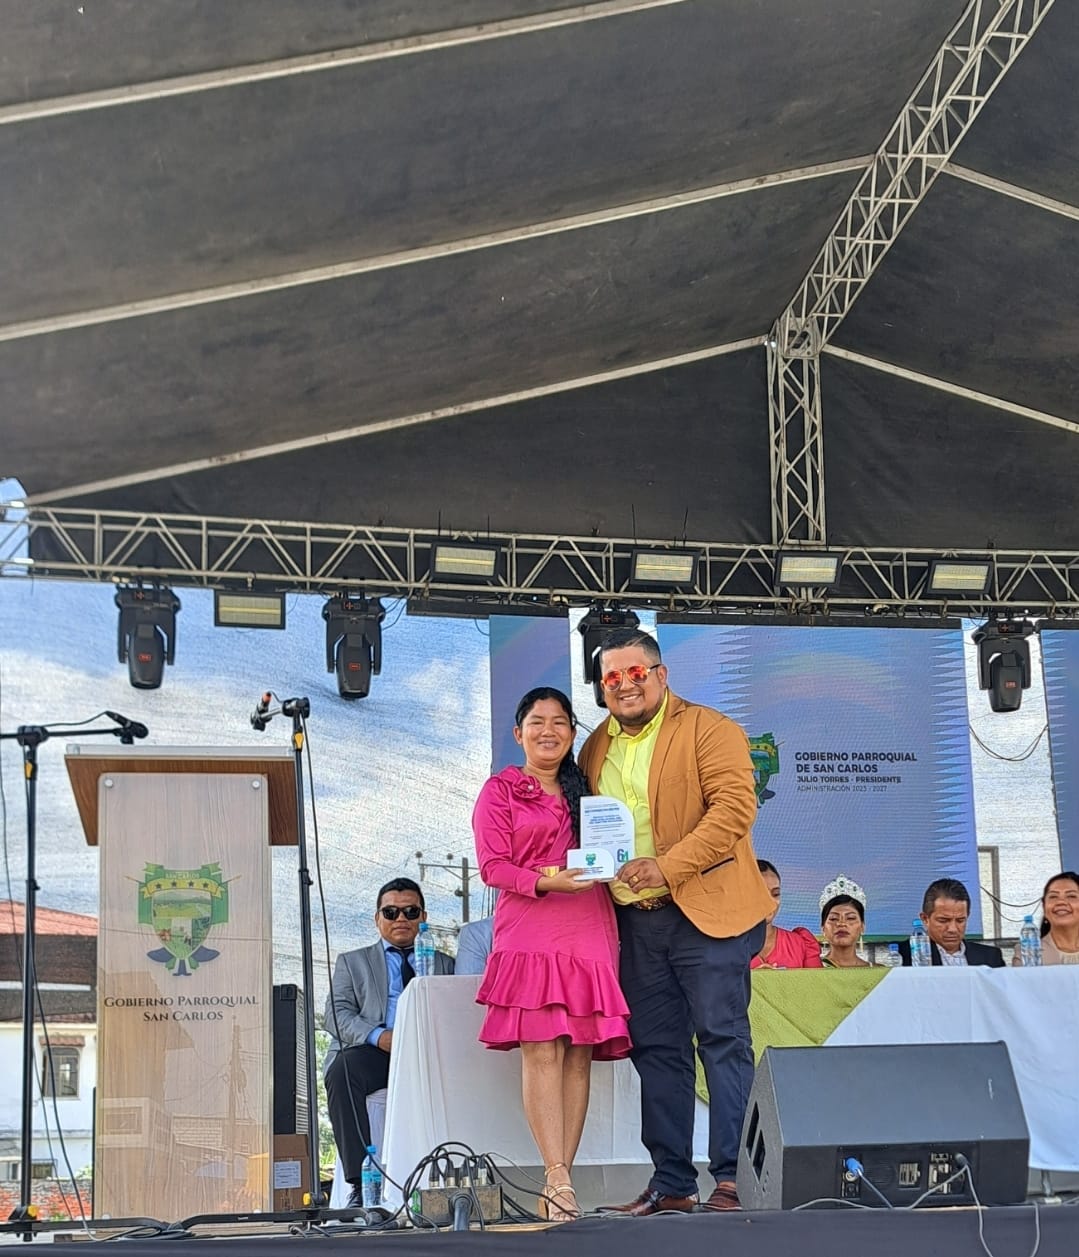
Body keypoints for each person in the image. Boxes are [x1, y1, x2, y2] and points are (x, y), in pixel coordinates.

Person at [578, 628, 772, 1215]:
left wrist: (666, 868)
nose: (624, 685)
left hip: (706, 913)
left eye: (635, 672)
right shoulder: (594, 748)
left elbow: (734, 812)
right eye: (612, 677)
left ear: (661, 675)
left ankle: (736, 1179)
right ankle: (672, 1183)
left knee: (722, 1041)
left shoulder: (709, 729)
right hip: (635, 923)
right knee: (657, 1050)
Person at [473, 687, 630, 1222]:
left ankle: (560, 1179)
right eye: (537, 721)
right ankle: (557, 1178)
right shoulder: (500, 790)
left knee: (579, 1054)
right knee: (542, 1050)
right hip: (531, 928)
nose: (549, 731)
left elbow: (614, 848)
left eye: (560, 722)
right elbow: (492, 867)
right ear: (518, 733)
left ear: (572, 733)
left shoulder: (588, 790)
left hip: (590, 924)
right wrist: (546, 881)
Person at [324, 877, 455, 1208]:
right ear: (377, 918)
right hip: (377, 1051)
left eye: (410, 912)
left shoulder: (443, 963)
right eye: (391, 912)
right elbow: (336, 1014)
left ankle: (460, 1177)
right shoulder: (352, 962)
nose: (401, 919)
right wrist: (379, 1037)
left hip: (429, 1053)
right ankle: (359, 1184)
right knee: (343, 1070)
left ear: (423, 917)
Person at [897, 878, 1004, 967]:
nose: (953, 929)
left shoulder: (990, 957)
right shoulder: (902, 955)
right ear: (925, 919)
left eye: (960, 920)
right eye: (943, 920)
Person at [751, 860, 823, 969]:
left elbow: (817, 980)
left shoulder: (800, 943)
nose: (770, 902)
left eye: (775, 894)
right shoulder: (728, 947)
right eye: (761, 894)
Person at [1012, 872, 1079, 965]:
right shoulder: (1027, 953)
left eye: (1071, 896)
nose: (1061, 902)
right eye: (1053, 896)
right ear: (1044, 906)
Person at [818, 875, 871, 968]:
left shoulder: (880, 972)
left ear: (862, 927)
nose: (841, 923)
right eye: (833, 918)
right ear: (823, 928)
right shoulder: (812, 970)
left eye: (850, 918)